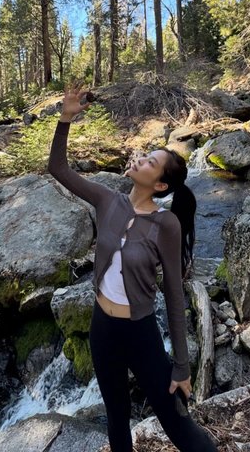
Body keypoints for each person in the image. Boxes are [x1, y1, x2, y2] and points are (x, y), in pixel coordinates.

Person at [47, 86, 218, 452]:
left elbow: (174, 294)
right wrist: (66, 118)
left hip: (140, 333)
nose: (140, 160)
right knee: (117, 416)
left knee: (177, 424)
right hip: (102, 328)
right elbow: (57, 168)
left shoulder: (165, 224)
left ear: (160, 185)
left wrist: (182, 366)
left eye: (150, 162)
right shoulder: (106, 200)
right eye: (145, 156)